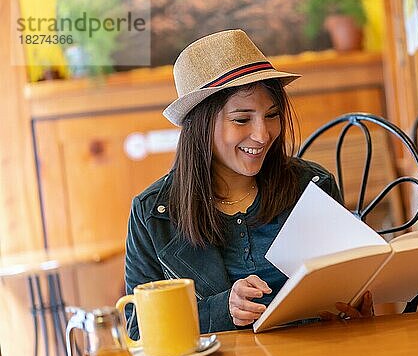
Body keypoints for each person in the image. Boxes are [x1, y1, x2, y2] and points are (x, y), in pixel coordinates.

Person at [124, 29, 372, 336]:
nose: (263, 134)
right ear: (201, 126)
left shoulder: (312, 186)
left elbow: (348, 291)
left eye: (272, 115)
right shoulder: (153, 214)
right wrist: (222, 309)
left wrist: (355, 308)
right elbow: (139, 328)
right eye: (242, 119)